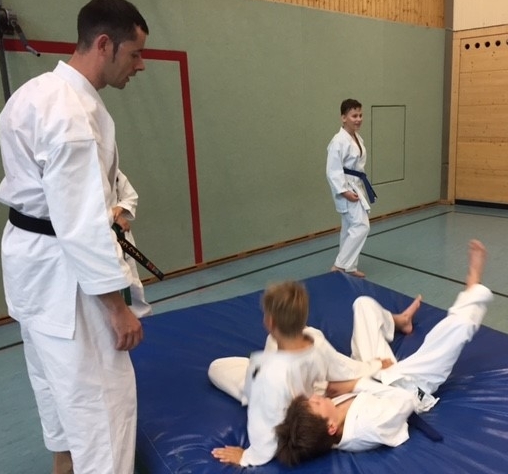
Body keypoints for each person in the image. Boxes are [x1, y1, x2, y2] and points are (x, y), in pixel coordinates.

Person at [0, 0, 149, 473]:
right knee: (104, 415)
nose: (140, 65)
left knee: (58, 401)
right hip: (68, 281)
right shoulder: (72, 118)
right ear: (104, 44)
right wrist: (116, 308)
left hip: (31, 271)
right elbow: (81, 225)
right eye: (135, 54)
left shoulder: (32, 94)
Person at [275, 240, 493, 466]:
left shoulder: (313, 424)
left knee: (363, 305)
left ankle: (400, 321)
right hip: (409, 384)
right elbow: (405, 401)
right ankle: (473, 288)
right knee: (456, 330)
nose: (315, 397)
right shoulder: (368, 427)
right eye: (317, 404)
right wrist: (355, 384)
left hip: (372, 372)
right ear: (332, 427)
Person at [208, 281, 419, 467]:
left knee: (216, 368)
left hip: (284, 402)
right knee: (266, 354)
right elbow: (341, 367)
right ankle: (397, 321)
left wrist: (248, 457)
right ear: (304, 318)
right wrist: (373, 366)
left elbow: (263, 426)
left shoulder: (269, 376)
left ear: (269, 322)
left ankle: (252, 376)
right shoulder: (315, 339)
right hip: (312, 393)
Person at [326, 98, 375, 278]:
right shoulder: (338, 141)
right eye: (354, 116)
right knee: (361, 226)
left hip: (355, 185)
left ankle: (350, 267)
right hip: (346, 187)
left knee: (349, 228)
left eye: (360, 115)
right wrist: (344, 191)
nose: (358, 119)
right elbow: (332, 170)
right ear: (343, 118)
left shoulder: (356, 138)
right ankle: (339, 266)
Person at [113, 170, 153, 318]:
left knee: (133, 285)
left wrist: (118, 209)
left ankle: (144, 320)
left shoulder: (113, 170)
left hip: (121, 237)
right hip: (97, 240)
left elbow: (130, 196)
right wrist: (110, 216)